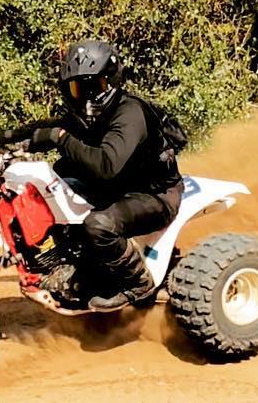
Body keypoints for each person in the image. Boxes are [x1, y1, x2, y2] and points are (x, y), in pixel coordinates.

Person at [27, 40, 184, 311]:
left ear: (111, 81)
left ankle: (139, 284)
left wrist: (60, 139)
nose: (85, 96)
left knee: (98, 224)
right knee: (55, 188)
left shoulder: (129, 113)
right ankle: (76, 268)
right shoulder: (90, 117)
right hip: (118, 188)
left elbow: (105, 165)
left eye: (93, 86)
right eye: (78, 89)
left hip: (155, 195)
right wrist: (1, 139)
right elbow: (45, 128)